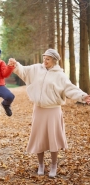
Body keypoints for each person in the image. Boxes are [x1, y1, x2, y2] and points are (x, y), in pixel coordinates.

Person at [8, 48, 90, 178]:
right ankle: (41, 164)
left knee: (53, 138)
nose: (44, 61)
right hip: (39, 109)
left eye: (48, 59)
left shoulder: (60, 75)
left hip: (53, 110)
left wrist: (83, 96)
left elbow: (70, 88)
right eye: (44, 58)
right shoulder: (36, 69)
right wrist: (15, 64)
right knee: (39, 138)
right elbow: (23, 71)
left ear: (54, 61)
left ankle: (53, 165)